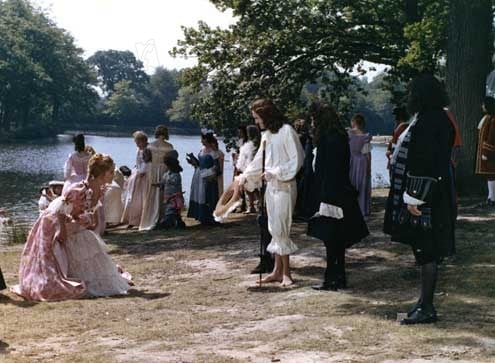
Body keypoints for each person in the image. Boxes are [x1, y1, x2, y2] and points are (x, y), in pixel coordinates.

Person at [384, 74, 456, 325]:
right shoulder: (439, 119)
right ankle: (423, 303)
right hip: (437, 191)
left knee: (427, 251)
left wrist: (413, 198)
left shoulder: (426, 121)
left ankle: (426, 307)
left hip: (426, 195)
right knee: (427, 250)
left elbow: (424, 162)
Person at [234, 98, 304, 286]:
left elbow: (297, 160)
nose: (256, 122)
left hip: (285, 186)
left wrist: (275, 173)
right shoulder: (267, 135)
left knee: (282, 227)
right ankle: (277, 271)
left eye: (257, 117)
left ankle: (287, 273)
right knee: (273, 227)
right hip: (271, 188)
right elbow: (259, 161)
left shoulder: (287, 131)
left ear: (266, 115)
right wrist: (245, 176)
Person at [307, 103, 369, 291]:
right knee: (337, 239)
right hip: (339, 191)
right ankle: (337, 276)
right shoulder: (340, 136)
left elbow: (328, 170)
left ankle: (331, 278)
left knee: (331, 238)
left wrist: (324, 197)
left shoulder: (329, 139)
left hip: (331, 193)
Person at [139, 125, 174, 231]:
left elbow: (146, 160)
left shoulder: (150, 146)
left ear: (156, 133)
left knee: (152, 193)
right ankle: (163, 217)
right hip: (165, 170)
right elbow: (172, 160)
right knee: (164, 193)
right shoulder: (169, 146)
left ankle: (150, 218)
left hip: (153, 170)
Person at [187, 132, 221, 225]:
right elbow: (199, 163)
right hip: (199, 175)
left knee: (208, 196)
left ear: (206, 139)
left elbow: (217, 166)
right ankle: (200, 216)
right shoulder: (202, 150)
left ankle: (209, 217)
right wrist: (193, 161)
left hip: (208, 177)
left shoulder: (213, 152)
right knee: (199, 195)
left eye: (202, 139)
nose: (201, 141)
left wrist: (210, 174)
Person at [121, 131, 150, 228]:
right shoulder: (139, 150)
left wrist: (141, 172)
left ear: (143, 141)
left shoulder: (147, 150)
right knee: (132, 197)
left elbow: (147, 164)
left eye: (138, 142)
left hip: (144, 176)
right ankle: (131, 219)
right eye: (136, 142)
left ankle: (139, 219)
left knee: (141, 198)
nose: (137, 144)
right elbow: (138, 163)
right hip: (137, 174)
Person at [153, 150, 186, 229]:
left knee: (171, 212)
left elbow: (175, 183)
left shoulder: (176, 175)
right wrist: (157, 184)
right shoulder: (166, 174)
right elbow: (163, 183)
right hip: (167, 197)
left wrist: (167, 182)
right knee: (173, 213)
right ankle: (177, 224)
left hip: (175, 197)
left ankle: (166, 224)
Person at [348, 114, 372, 217]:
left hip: (351, 160)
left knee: (351, 183)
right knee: (362, 185)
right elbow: (367, 153)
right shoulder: (365, 136)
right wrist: (369, 167)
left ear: (353, 122)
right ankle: (362, 208)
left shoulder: (349, 133)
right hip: (362, 161)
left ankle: (351, 207)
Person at [236, 125, 261, 213]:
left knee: (253, 188)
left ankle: (254, 206)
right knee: (252, 188)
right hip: (249, 167)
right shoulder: (253, 143)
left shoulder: (255, 143)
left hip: (252, 167)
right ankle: (254, 206)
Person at [475, 96, 495, 206]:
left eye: (484, 104)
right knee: (489, 175)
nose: (482, 106)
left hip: (491, 153)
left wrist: (486, 152)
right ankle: (490, 197)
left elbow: (491, 138)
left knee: (492, 174)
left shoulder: (493, 120)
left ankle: (492, 198)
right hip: (486, 152)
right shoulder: (487, 118)